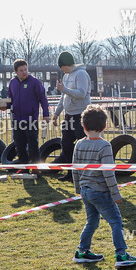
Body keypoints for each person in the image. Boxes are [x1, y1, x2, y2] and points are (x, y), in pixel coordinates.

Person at [71, 105, 136, 268]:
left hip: (85, 191)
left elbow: (74, 169)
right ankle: (121, 255)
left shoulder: (79, 145)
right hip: (100, 191)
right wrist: (116, 195)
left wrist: (78, 190)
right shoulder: (104, 146)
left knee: (92, 222)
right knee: (116, 222)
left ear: (83, 126)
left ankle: (82, 251)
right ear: (104, 126)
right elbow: (108, 173)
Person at [2, 59, 50, 167]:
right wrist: (5, 106)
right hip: (17, 120)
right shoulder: (12, 83)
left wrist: (46, 114)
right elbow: (10, 99)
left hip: (31, 119)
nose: (24, 72)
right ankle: (23, 167)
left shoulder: (35, 82)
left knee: (33, 145)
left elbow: (43, 98)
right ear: (15, 71)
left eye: (25, 69)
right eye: (21, 70)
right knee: (19, 145)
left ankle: (35, 168)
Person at [53, 51, 91, 182]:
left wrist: (64, 90)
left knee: (83, 145)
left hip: (81, 115)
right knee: (66, 144)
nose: (61, 69)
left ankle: (84, 173)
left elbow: (81, 93)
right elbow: (63, 97)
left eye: (61, 66)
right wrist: (57, 113)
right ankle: (70, 173)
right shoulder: (65, 76)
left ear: (64, 64)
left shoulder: (81, 74)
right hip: (68, 116)